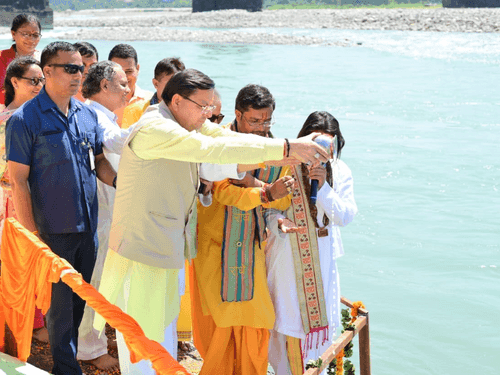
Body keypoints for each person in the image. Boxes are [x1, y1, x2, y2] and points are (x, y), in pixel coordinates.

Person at [94, 69, 328, 375]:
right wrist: (286, 150)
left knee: (161, 335)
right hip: (142, 250)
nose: (208, 114)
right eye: (202, 106)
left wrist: (288, 152)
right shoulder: (158, 128)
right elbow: (213, 151)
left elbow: (225, 139)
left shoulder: (183, 124)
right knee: (142, 341)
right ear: (177, 101)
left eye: (210, 107)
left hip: (164, 246)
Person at [6, 41, 117, 375]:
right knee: (59, 308)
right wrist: (33, 236)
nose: (78, 74)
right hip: (52, 230)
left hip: (88, 226)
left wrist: (123, 183)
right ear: (48, 71)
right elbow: (18, 179)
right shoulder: (25, 119)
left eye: (80, 68)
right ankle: (67, 368)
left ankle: (71, 359)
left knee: (81, 300)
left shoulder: (86, 114)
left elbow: (99, 161)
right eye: (70, 68)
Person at [191, 84, 294, 375]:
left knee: (258, 321)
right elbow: (221, 190)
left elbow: (285, 196)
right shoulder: (219, 140)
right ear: (238, 114)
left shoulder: (277, 151)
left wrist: (254, 185)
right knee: (217, 326)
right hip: (214, 248)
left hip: (250, 252)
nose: (262, 128)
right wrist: (265, 194)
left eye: (267, 121)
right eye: (255, 121)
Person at [265, 111, 358, 375]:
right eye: (316, 144)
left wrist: (324, 187)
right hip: (285, 255)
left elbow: (345, 216)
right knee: (281, 324)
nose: (321, 152)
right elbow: (268, 207)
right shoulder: (285, 163)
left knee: (310, 330)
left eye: (328, 146)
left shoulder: (340, 172)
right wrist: (278, 223)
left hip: (322, 260)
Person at [75, 60, 130, 372]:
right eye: (121, 84)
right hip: (99, 214)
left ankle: (91, 339)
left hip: (104, 211)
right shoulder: (95, 115)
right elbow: (112, 142)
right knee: (94, 280)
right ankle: (89, 348)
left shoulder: (96, 113)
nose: (127, 90)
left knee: (98, 279)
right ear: (105, 86)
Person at [0, 55, 47, 343]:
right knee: (17, 259)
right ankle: (25, 324)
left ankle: (33, 320)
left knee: (34, 258)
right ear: (14, 81)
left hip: (38, 195)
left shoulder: (42, 115)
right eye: (33, 80)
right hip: (10, 197)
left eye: (42, 79)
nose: (38, 85)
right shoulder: (6, 118)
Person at [121, 57, 185, 129]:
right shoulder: (135, 111)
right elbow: (125, 139)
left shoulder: (189, 109)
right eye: (169, 84)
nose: (175, 89)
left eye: (180, 84)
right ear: (156, 84)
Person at [0, 14, 42, 106]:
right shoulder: (2, 58)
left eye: (35, 35)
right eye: (26, 34)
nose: (31, 39)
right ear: (13, 34)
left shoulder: (43, 59)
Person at [108, 44, 153, 127]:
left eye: (128, 71)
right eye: (118, 72)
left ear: (137, 69)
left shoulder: (152, 101)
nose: (123, 77)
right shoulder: (98, 103)